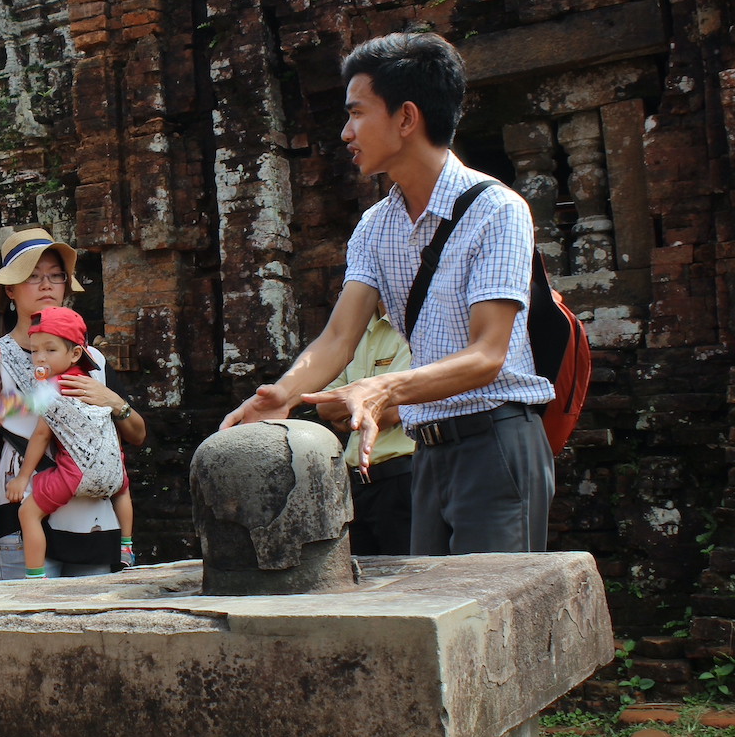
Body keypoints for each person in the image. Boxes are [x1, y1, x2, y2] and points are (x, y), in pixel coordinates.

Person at [221, 31, 555, 555]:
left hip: (495, 439)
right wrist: (281, 396)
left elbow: (488, 355)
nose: (346, 132)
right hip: (429, 449)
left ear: (405, 118)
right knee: (431, 615)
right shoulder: (375, 227)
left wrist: (382, 390)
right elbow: (338, 338)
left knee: (491, 617)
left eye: (357, 113)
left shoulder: (499, 210)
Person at [0, 226, 148, 737]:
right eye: (33, 277)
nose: (46, 286)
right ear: (9, 292)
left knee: (95, 649)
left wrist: (117, 403)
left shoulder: (93, 361)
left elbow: (133, 437)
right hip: (24, 519)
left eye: (55, 276)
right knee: (25, 647)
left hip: (92, 518)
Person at [4, 307, 134, 577]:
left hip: (76, 473)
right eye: (34, 350)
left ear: (75, 353)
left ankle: (35, 577)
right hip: (114, 472)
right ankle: (126, 546)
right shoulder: (89, 382)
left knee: (28, 514)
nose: (40, 358)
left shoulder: (55, 387)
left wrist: (22, 477)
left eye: (50, 350)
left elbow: (39, 430)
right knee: (123, 492)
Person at [315, 305, 415, 555]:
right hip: (356, 482)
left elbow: (400, 407)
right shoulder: (355, 330)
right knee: (362, 578)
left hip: (402, 475)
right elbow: (323, 406)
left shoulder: (413, 326)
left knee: (404, 576)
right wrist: (371, 409)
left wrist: (349, 412)